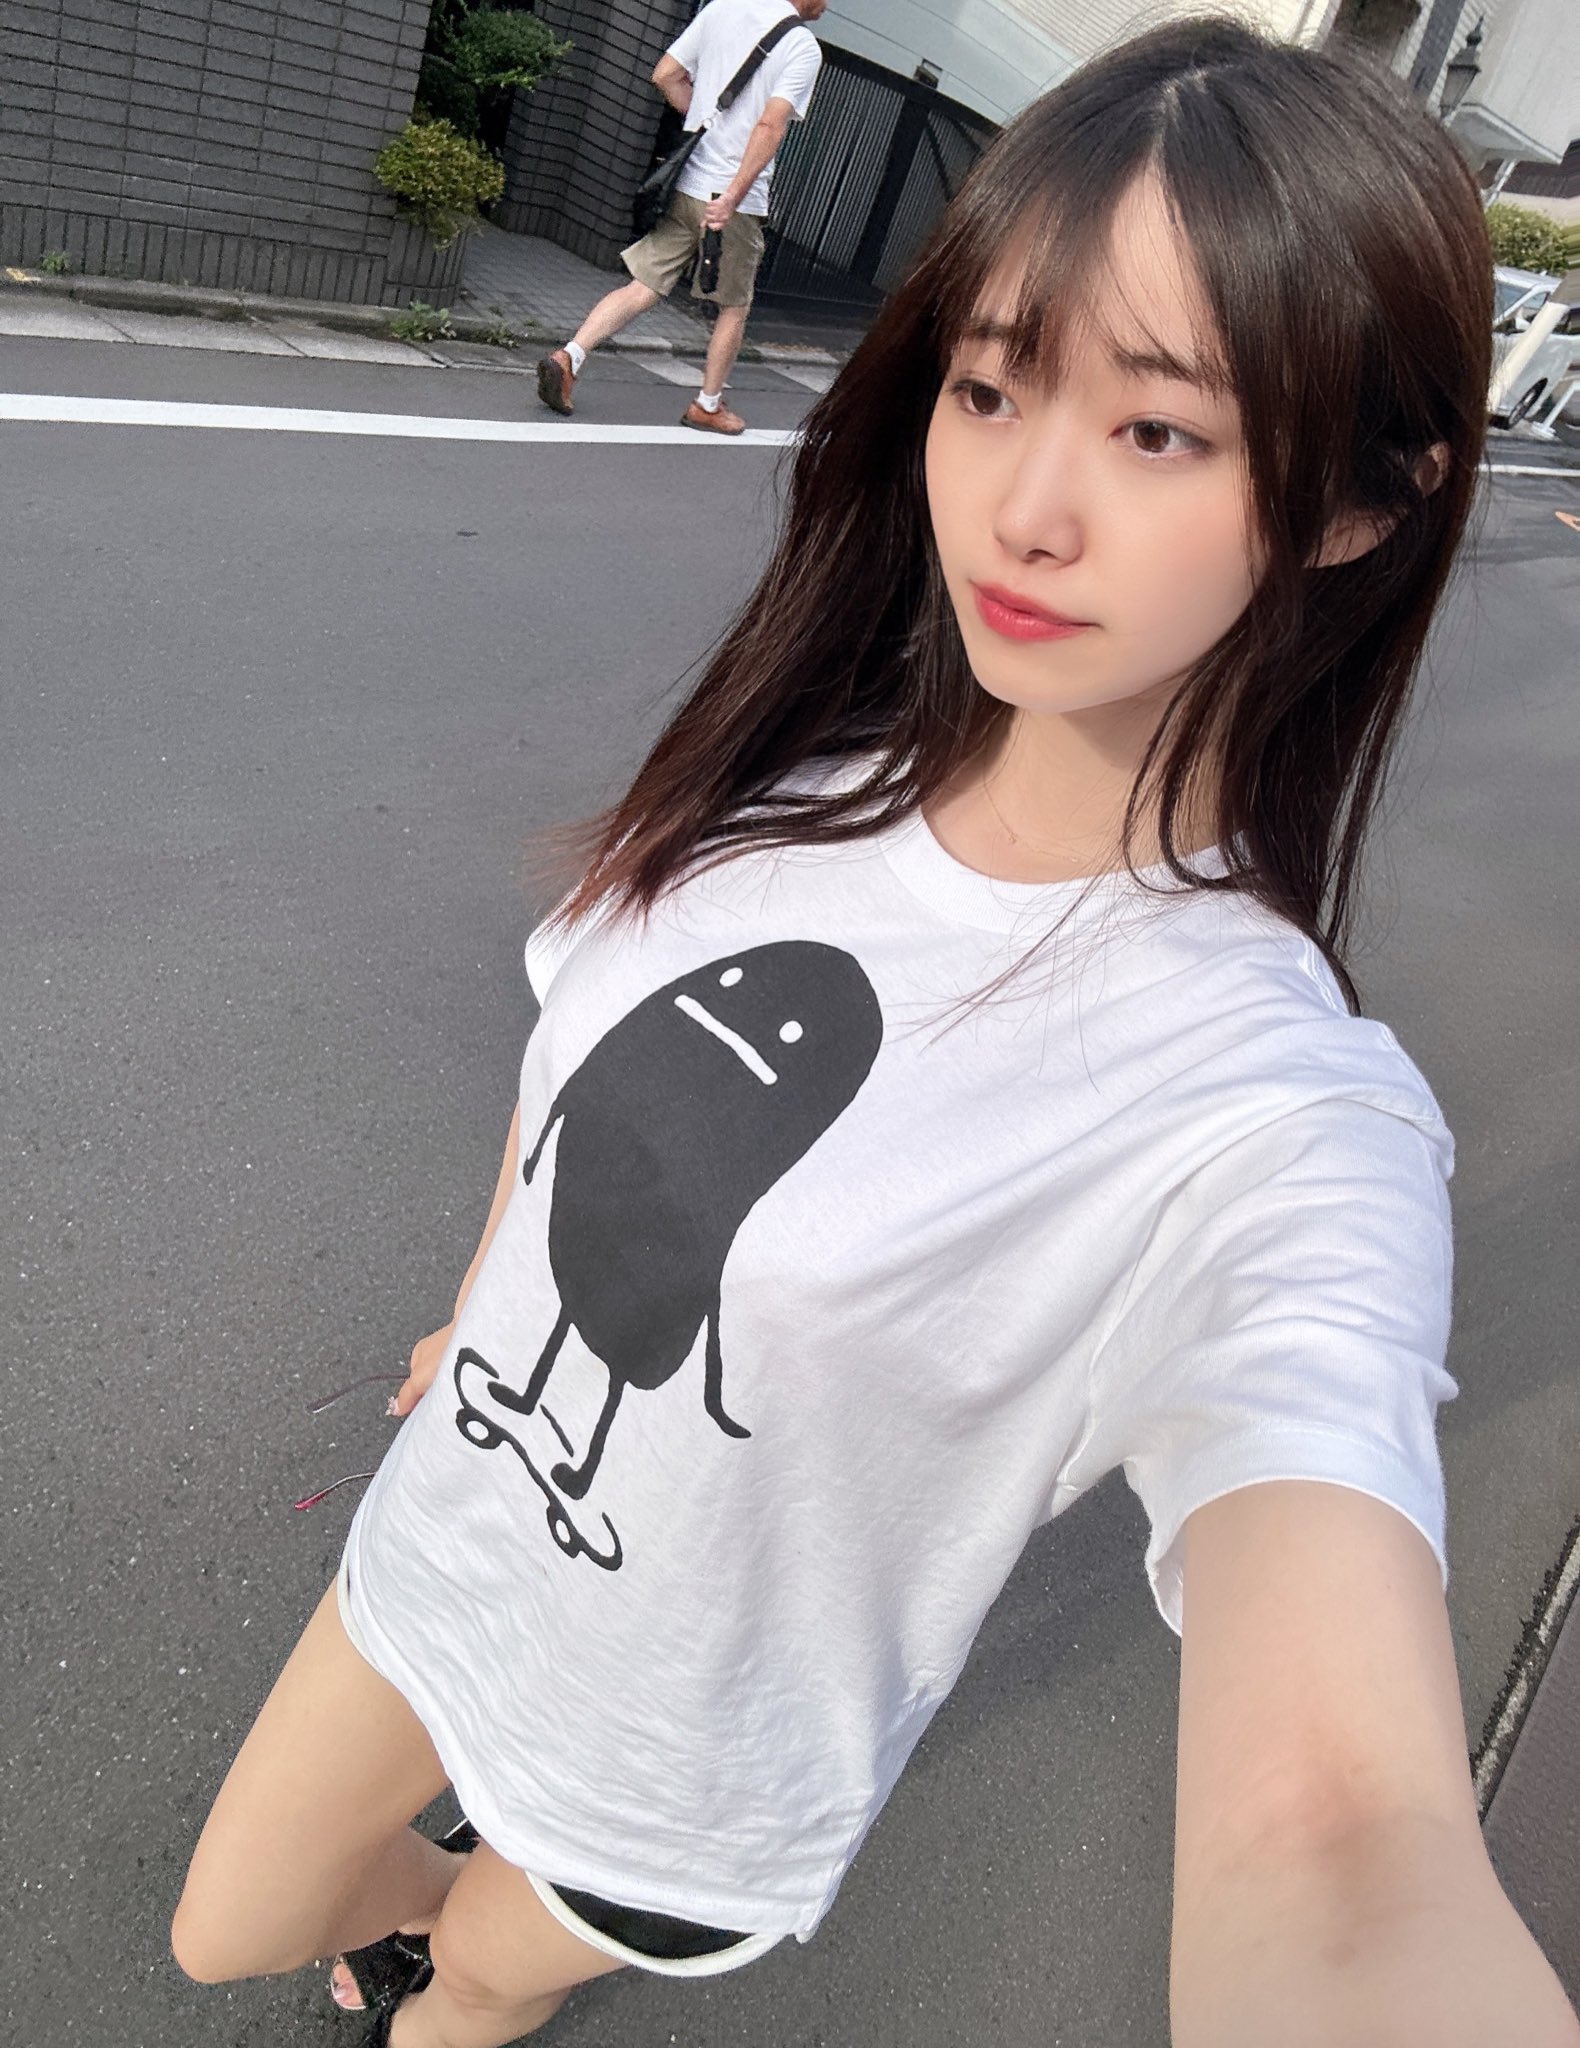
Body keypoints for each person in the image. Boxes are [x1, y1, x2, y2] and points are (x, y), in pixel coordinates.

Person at [171, 17, 1580, 2048]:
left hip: (683, 1758)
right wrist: (479, 1302)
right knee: (234, 1915)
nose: (1024, 508)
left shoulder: (1272, 1112)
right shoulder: (796, 784)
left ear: (1362, 503)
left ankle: (471, 1972)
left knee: (458, 1995)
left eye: (1157, 431)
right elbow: (577, 1062)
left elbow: (1341, 1830)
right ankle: (455, 1922)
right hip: (458, 1536)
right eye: (990, 388)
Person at [534, 0, 825, 436]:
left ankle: (569, 356)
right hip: (733, 201)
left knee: (644, 285)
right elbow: (770, 125)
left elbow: (666, 74)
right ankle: (707, 405)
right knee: (734, 307)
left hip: (688, 181)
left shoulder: (723, 6)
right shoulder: (801, 46)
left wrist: (705, 125)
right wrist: (733, 195)